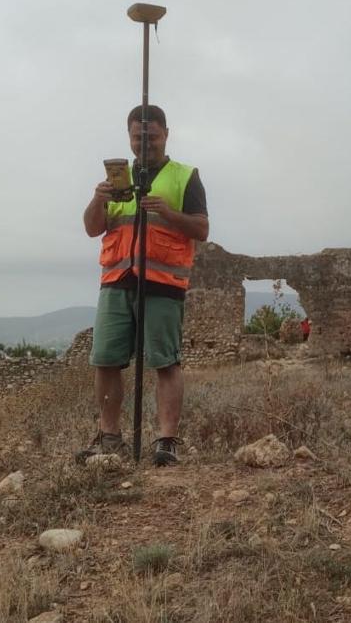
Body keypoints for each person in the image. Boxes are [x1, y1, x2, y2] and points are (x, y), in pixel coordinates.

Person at [76, 105, 208, 466]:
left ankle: (166, 441)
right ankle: (109, 437)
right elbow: (92, 227)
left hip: (163, 283)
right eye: (138, 137)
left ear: (166, 134)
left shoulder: (185, 176)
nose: (144, 143)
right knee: (105, 360)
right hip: (117, 281)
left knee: (166, 362)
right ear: (129, 137)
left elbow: (201, 229)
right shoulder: (117, 180)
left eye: (151, 136)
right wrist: (97, 199)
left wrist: (167, 212)